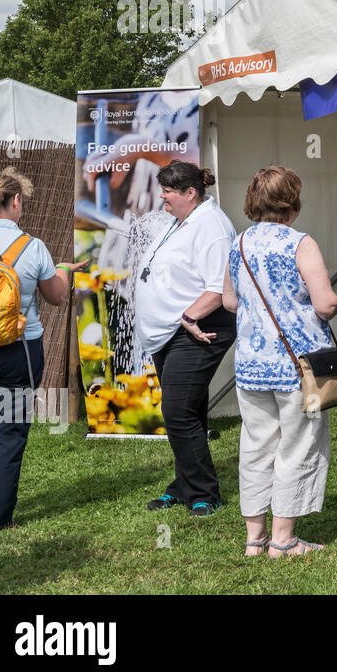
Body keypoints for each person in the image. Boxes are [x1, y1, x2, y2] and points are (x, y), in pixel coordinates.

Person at [222, 166, 337, 557]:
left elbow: (229, 301)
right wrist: (334, 303)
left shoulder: (238, 243)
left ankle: (254, 538)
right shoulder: (300, 243)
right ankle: (283, 539)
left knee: (256, 446)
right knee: (298, 445)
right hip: (299, 367)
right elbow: (325, 303)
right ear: (292, 201)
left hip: (251, 363)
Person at [0, 168, 84, 533]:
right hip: (20, 351)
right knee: (9, 432)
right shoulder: (32, 247)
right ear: (15, 201)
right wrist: (63, 268)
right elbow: (56, 295)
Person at [136, 160, 237, 517]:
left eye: (168, 192)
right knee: (188, 410)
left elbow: (219, 288)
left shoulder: (211, 226)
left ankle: (204, 493)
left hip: (199, 327)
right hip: (174, 330)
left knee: (177, 412)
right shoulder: (184, 220)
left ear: (189, 193)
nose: (161, 197)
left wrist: (188, 316)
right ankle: (184, 486)